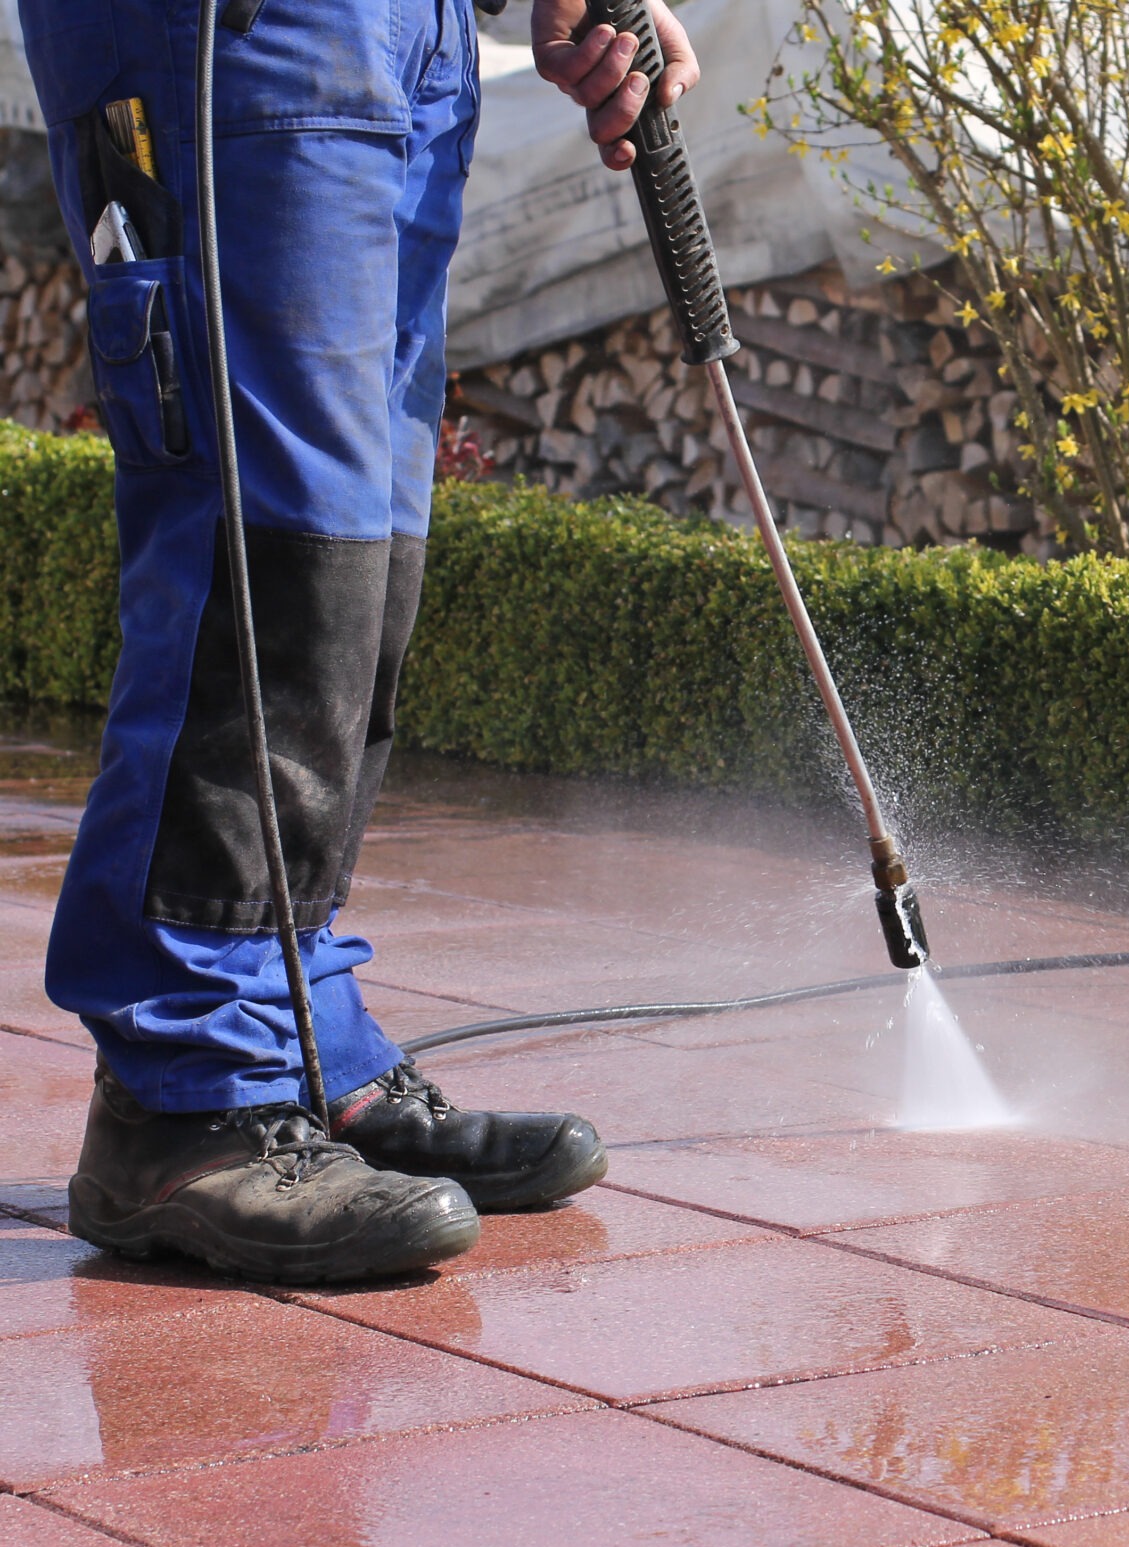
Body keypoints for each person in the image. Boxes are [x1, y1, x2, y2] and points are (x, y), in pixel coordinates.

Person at [23, 0, 699, 1283]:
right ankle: (185, 1090)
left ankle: (299, 1035)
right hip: (230, 28)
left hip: (406, 32)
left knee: (363, 549)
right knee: (264, 541)